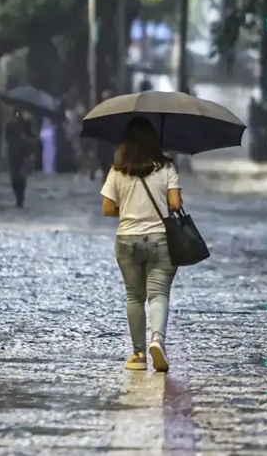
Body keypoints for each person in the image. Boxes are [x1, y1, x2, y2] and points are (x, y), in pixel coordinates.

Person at [100, 117, 182, 372]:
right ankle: (157, 340)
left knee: (134, 296)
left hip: (127, 239)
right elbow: (176, 204)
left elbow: (107, 208)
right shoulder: (167, 167)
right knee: (158, 293)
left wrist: (127, 210)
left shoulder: (117, 170)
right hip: (160, 238)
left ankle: (137, 355)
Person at [5, 110, 37, 208]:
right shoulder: (9, 125)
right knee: (14, 176)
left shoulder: (26, 124)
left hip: (23, 153)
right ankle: (18, 196)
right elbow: (7, 137)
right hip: (13, 152)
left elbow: (32, 137)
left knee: (21, 176)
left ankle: (20, 198)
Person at [96, 89, 117, 180]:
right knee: (104, 165)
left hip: (112, 144)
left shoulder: (115, 111)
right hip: (103, 144)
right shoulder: (99, 111)